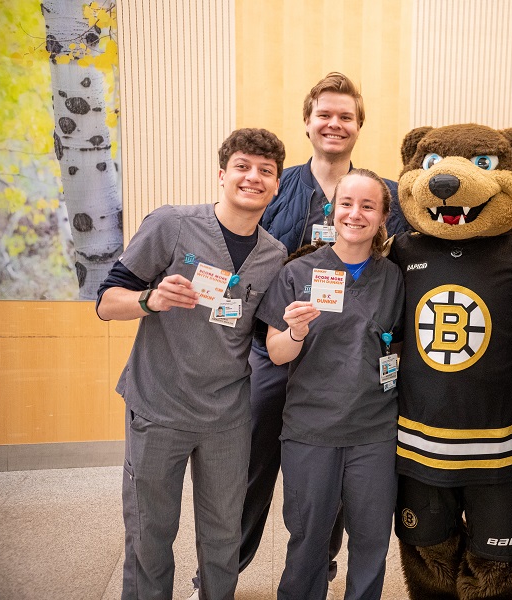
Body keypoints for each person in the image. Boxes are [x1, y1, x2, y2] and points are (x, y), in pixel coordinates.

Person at [199, 72, 409, 599]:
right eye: (325, 114)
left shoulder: (381, 193)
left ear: (360, 125)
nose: (334, 124)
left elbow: (399, 264)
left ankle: (325, 564)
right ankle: (224, 569)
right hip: (276, 350)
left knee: (350, 487)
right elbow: (237, 252)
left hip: (354, 363)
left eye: (346, 116)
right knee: (256, 466)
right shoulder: (279, 186)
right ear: (308, 122)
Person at [96, 128, 288, 600]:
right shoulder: (172, 224)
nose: (253, 177)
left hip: (227, 416)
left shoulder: (273, 255)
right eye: (242, 166)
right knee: (150, 532)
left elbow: (266, 336)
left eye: (266, 171)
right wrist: (151, 298)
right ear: (222, 174)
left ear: (278, 185)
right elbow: (106, 302)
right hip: (159, 406)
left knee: (223, 534)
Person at [256, 169, 404, 600]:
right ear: (331, 210)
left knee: (372, 540)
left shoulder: (393, 278)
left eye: (368, 206)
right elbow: (278, 352)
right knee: (308, 540)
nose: (355, 214)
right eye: (346, 204)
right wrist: (296, 332)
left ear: (382, 218)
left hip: (374, 431)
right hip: (311, 430)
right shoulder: (298, 272)